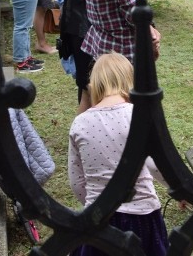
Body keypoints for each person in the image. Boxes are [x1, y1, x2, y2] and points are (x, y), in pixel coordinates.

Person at [68, 53, 169, 256]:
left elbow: (76, 181)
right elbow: (155, 162)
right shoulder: (140, 116)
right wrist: (175, 187)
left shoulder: (80, 123)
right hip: (143, 216)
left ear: (95, 83)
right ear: (129, 80)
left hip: (97, 219)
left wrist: (94, 202)